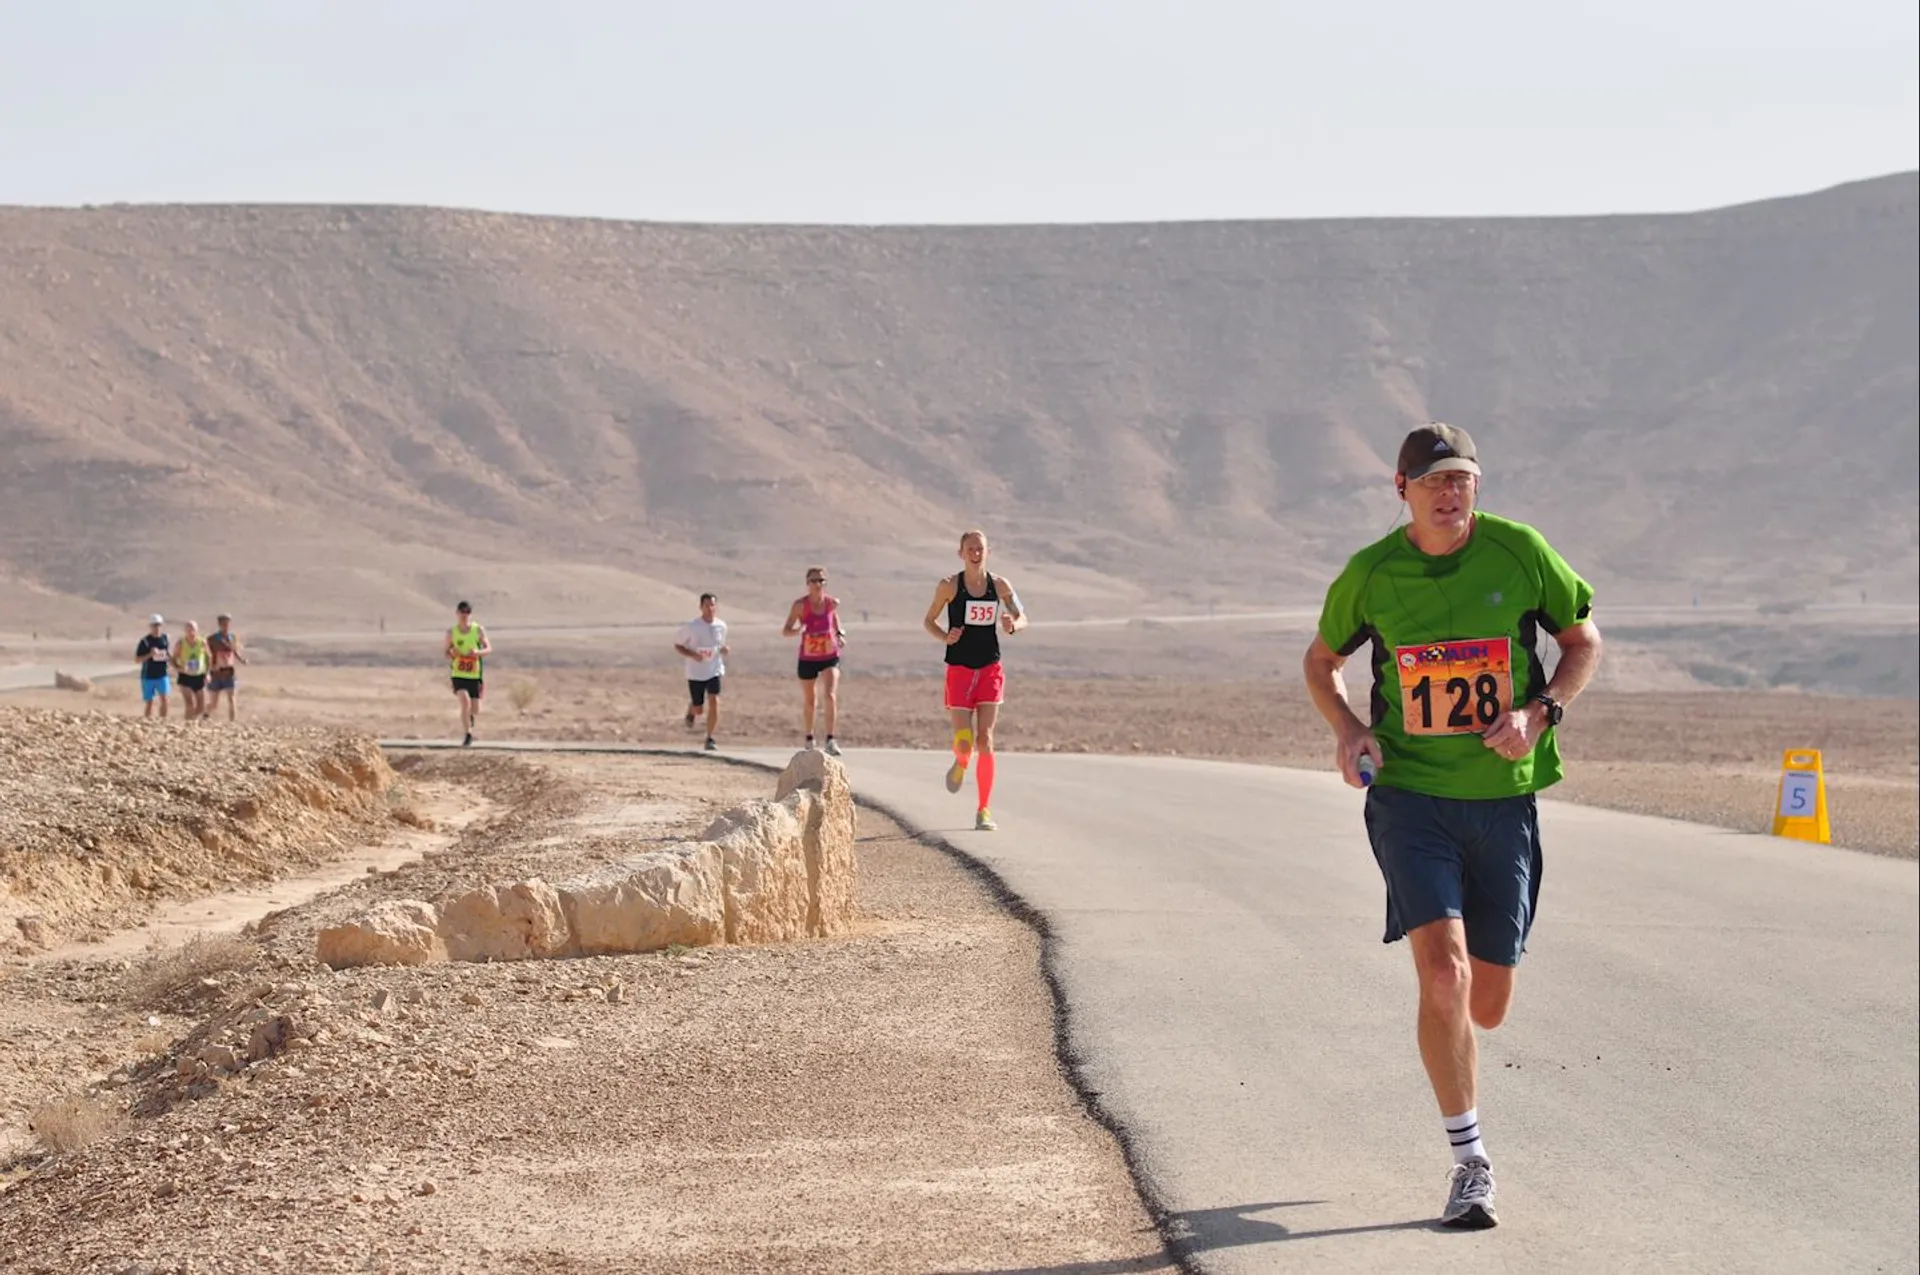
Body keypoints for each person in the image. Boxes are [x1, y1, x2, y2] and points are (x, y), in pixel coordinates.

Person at [1301, 423, 1603, 1230]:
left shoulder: (1520, 553)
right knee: (1443, 973)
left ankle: (1456, 1035)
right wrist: (1347, 729)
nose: (1450, 490)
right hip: (1410, 797)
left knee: (1488, 1000)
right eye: (1433, 479)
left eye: (1462, 477)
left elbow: (1582, 640)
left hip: (1503, 798)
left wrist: (1541, 713)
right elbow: (1320, 660)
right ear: (1402, 489)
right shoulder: (1371, 574)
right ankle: (1471, 1160)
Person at [923, 530, 1026, 831]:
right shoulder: (949, 586)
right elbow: (928, 621)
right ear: (961, 553)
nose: (975, 553)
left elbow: (1022, 616)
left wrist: (1012, 625)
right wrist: (946, 636)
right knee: (965, 742)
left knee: (986, 739)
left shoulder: (1001, 585)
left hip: (990, 668)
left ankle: (984, 809)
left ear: (987, 551)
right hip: (959, 669)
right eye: (970, 548)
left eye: (980, 548)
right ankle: (961, 761)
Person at [782, 567, 847, 755]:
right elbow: (786, 630)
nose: (818, 584)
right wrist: (798, 631)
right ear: (807, 584)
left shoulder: (830, 603)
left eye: (821, 581)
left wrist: (839, 634)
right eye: (814, 581)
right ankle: (809, 737)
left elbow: (834, 620)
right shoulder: (800, 606)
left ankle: (830, 739)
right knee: (811, 700)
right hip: (808, 658)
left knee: (830, 695)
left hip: (829, 655)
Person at [674, 592, 730, 752]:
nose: (710, 608)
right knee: (699, 709)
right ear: (701, 607)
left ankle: (710, 737)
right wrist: (693, 655)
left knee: (714, 700)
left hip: (714, 669)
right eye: (707, 605)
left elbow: (719, 645)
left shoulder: (721, 626)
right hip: (696, 672)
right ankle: (692, 708)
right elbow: (678, 645)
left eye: (713, 605)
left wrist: (724, 650)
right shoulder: (692, 627)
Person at [445, 600, 492, 746]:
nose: (464, 615)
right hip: (459, 673)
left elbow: (488, 648)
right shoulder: (451, 633)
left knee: (475, 709)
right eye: (461, 612)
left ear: (470, 614)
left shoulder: (478, 630)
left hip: (474, 674)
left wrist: (477, 653)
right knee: (464, 702)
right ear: (457, 614)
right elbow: (446, 652)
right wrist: (452, 653)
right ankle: (468, 734)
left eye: (467, 613)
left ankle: (470, 718)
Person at [206, 613, 247, 722]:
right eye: (224, 624)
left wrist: (242, 660)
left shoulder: (232, 638)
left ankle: (232, 724)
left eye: (228, 624)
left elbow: (235, 651)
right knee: (214, 703)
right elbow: (207, 654)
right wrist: (211, 666)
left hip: (229, 672)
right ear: (219, 624)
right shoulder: (212, 639)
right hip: (216, 673)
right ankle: (205, 716)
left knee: (232, 699)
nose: (226, 626)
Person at [171, 620, 212, 722]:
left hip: (199, 676)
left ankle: (191, 722)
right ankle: (187, 725)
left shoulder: (202, 643)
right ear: (185, 631)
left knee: (201, 707)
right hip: (185, 676)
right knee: (190, 704)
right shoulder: (180, 643)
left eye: (193, 629)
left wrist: (207, 673)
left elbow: (209, 657)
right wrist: (179, 668)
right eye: (188, 629)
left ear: (196, 630)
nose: (190, 631)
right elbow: (173, 659)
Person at [134, 614, 171, 720]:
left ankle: (163, 721)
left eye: (158, 625)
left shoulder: (165, 639)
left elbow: (167, 654)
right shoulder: (145, 642)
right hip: (148, 675)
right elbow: (137, 659)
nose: (157, 627)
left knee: (165, 699)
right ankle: (147, 722)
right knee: (150, 702)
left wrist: (172, 662)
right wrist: (150, 655)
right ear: (150, 626)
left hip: (162, 674)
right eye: (154, 625)